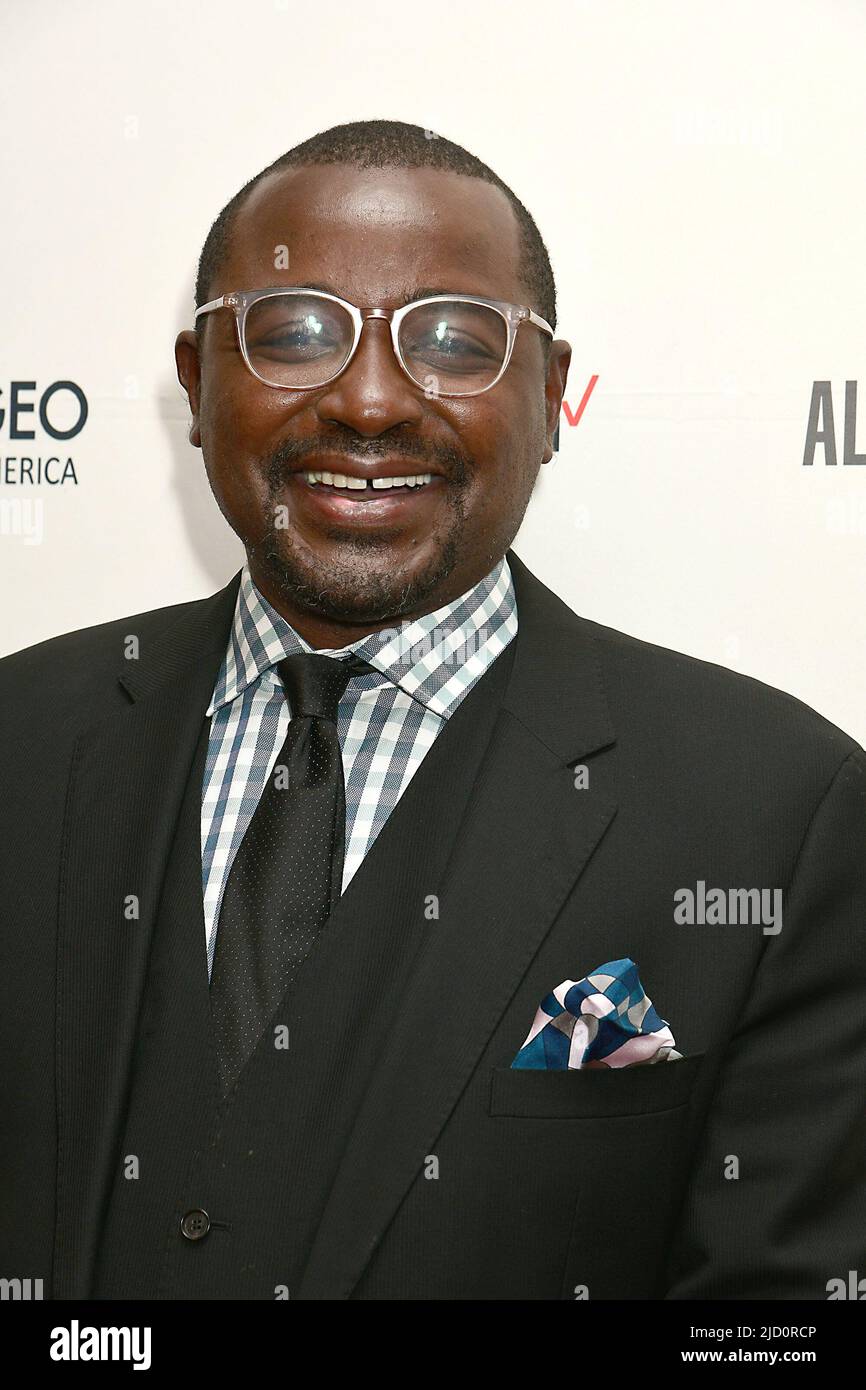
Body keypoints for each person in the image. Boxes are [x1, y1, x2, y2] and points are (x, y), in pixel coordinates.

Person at [1, 119, 864, 1302]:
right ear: (195, 385)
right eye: (292, 331)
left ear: (551, 394)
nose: (367, 402)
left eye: (454, 342)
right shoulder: (22, 741)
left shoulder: (776, 811)